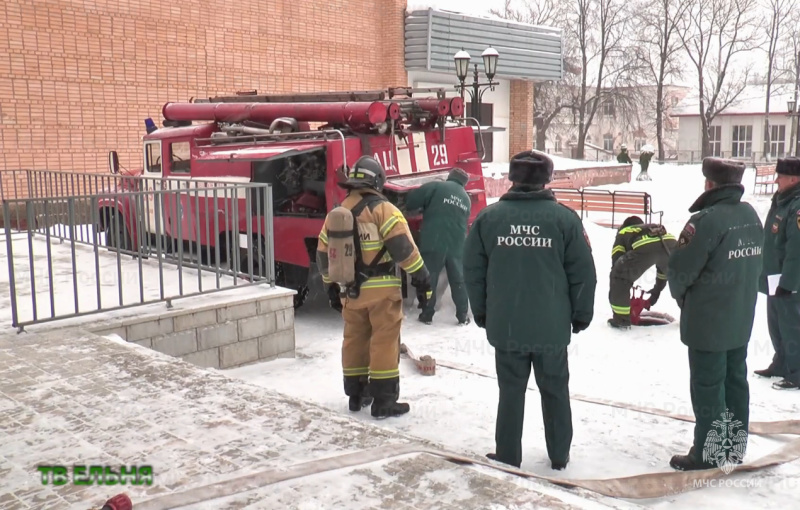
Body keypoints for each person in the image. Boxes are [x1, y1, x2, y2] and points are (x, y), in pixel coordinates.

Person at [463, 150, 596, 471]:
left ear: (512, 178)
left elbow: (473, 270)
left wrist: (481, 312)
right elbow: (583, 273)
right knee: (555, 390)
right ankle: (559, 454)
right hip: (551, 328)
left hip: (506, 325)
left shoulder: (488, 219)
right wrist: (581, 314)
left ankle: (508, 455)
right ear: (547, 180)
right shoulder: (565, 220)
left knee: (510, 392)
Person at [316, 156, 432, 418]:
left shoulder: (338, 212)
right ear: (378, 181)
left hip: (349, 291)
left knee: (355, 340)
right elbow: (404, 250)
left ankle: (356, 396)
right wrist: (422, 277)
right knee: (384, 341)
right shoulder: (384, 210)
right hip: (382, 293)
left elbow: (323, 255)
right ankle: (384, 402)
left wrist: (330, 287)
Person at [666, 157, 763, 470]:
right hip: (740, 316)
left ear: (709, 183)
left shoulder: (705, 220)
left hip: (708, 321)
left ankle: (708, 454)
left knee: (708, 387)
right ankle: (731, 450)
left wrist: (682, 298)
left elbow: (680, 271)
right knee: (735, 382)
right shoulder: (749, 215)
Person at [754, 156, 800, 390]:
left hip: (789, 280)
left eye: (780, 176)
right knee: (776, 323)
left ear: (794, 178)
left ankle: (797, 371)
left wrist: (789, 282)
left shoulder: (797, 206)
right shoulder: (783, 200)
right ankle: (781, 363)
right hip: (774, 277)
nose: (776, 180)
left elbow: (797, 249)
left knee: (792, 326)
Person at [405, 167, 472, 325]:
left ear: (450, 177)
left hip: (434, 241)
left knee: (430, 278)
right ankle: (463, 316)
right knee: (458, 280)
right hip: (457, 245)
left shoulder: (437, 186)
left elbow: (413, 201)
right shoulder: (466, 198)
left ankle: (427, 315)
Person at [608, 216, 677, 329]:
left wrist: (620, 276)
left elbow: (617, 260)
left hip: (645, 246)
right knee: (680, 279)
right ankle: (691, 315)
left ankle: (621, 319)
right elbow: (662, 268)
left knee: (619, 277)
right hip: (671, 243)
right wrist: (657, 291)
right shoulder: (651, 228)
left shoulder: (624, 232)